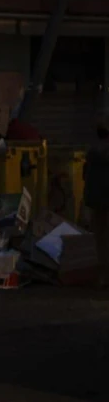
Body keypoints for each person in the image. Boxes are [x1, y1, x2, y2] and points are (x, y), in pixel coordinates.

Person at [83, 117, 109, 288]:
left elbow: (86, 176)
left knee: (100, 240)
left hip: (96, 202)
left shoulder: (92, 151)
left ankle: (103, 276)